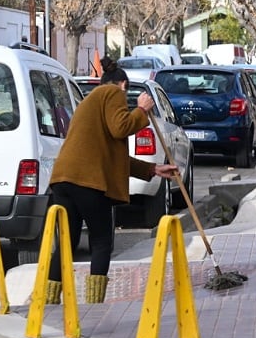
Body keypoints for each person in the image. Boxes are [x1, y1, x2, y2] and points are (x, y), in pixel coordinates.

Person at [44, 57, 177, 304]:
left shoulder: (91, 101)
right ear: (123, 85)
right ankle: (94, 303)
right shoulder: (113, 94)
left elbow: (109, 157)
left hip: (64, 180)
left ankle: (47, 300)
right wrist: (141, 110)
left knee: (66, 243)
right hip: (89, 183)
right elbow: (120, 127)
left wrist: (153, 169)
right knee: (102, 240)